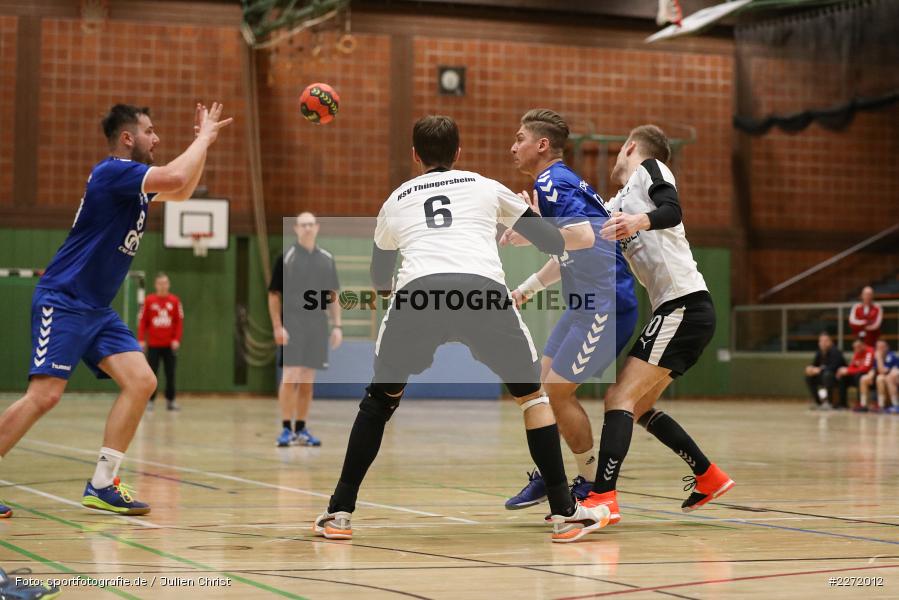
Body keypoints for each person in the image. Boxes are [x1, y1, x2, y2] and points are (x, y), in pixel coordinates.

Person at [313, 115, 611, 543]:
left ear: (416, 157)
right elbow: (550, 241)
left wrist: (390, 300)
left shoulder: (396, 199)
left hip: (417, 295)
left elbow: (381, 272)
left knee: (379, 401)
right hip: (482, 293)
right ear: (459, 153)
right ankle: (565, 513)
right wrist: (539, 223)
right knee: (533, 398)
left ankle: (338, 512)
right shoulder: (485, 186)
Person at [0, 102, 232, 519]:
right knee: (45, 395)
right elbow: (178, 176)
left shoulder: (134, 187)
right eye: (150, 131)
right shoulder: (113, 173)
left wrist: (206, 142)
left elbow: (180, 189)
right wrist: (200, 139)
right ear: (128, 138)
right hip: (65, 299)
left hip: (97, 310)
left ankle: (103, 483)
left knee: (142, 381)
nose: (157, 138)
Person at [583, 124, 734, 522]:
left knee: (618, 399)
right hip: (680, 310)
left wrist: (639, 222)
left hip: (683, 305)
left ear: (631, 145)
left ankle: (603, 496)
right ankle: (708, 475)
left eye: (619, 148)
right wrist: (532, 223)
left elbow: (671, 211)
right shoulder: (616, 201)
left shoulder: (651, 168)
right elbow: (581, 237)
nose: (616, 156)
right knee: (639, 404)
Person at [500, 108, 639, 509]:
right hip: (585, 303)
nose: (513, 147)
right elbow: (571, 251)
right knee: (542, 389)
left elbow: (577, 237)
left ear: (542, 145)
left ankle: (592, 483)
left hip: (605, 303)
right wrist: (526, 289)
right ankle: (552, 475)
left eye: (520, 138)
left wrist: (531, 231)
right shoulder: (556, 183)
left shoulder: (551, 181)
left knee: (558, 392)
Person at [268, 212, 342, 447]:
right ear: (296, 229)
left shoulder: (327, 259)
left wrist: (337, 326)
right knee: (291, 376)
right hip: (293, 322)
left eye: (311, 225)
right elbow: (273, 295)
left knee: (308, 380)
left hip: (317, 324)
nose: (307, 228)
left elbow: (333, 295)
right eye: (303, 225)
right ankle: (285, 429)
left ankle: (301, 429)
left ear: (317, 228)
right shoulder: (286, 258)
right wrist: (278, 326)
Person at [138, 272, 183, 412]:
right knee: (152, 374)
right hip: (153, 345)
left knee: (170, 374)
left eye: (165, 283)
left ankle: (171, 401)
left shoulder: (175, 301)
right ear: (156, 285)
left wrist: (176, 339)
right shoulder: (149, 300)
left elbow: (179, 322)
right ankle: (150, 401)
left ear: (168, 284)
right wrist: (141, 340)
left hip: (169, 345)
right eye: (160, 283)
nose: (163, 286)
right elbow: (143, 321)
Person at [804, 332, 845, 410]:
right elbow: (815, 364)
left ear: (831, 342)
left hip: (838, 378)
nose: (823, 343)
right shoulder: (820, 352)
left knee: (827, 375)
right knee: (809, 377)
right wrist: (810, 368)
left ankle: (829, 402)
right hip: (824, 376)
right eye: (821, 341)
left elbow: (834, 367)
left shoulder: (835, 352)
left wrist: (819, 370)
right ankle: (818, 402)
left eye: (825, 341)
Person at [839, 338, 874, 410]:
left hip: (869, 377)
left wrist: (848, 371)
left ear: (863, 345)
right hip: (857, 375)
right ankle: (843, 404)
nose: (856, 349)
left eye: (858, 346)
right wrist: (845, 371)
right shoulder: (857, 353)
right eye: (854, 347)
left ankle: (860, 403)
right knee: (843, 377)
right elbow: (851, 366)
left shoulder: (869, 351)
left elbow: (866, 368)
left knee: (859, 376)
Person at [874, 341, 899, 413]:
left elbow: (883, 371)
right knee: (879, 378)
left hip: (893, 377)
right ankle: (881, 405)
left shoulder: (891, 356)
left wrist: (879, 358)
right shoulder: (877, 358)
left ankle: (895, 405)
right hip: (888, 377)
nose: (880, 349)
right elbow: (875, 370)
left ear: (887, 347)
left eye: (882, 347)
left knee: (888, 378)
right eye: (878, 347)